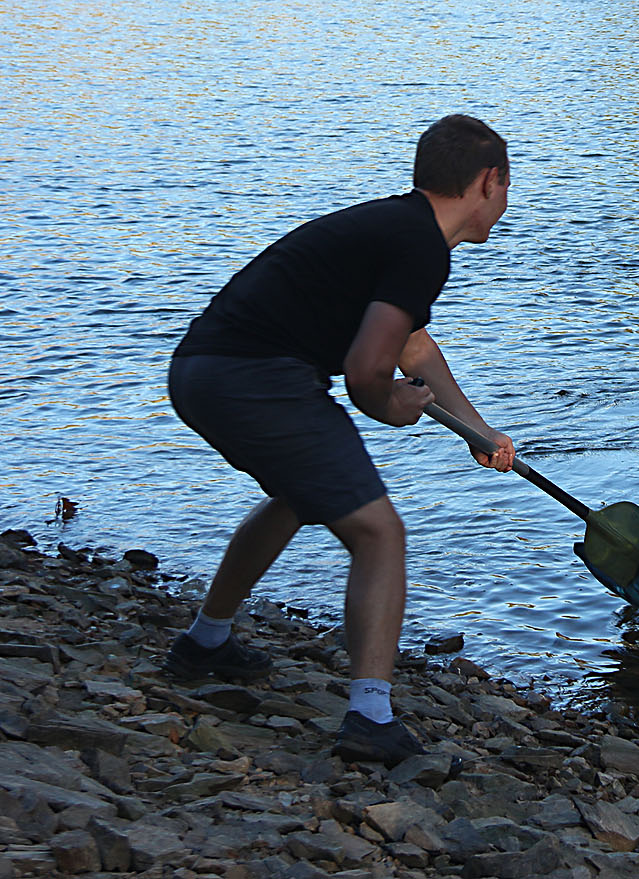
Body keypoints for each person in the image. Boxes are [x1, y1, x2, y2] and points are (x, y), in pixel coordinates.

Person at [164, 114, 518, 767]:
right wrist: (391, 406)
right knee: (380, 533)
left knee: (301, 497)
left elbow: (411, 345)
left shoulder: (397, 229)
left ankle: (204, 641)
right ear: (488, 181)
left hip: (203, 369)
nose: (506, 200)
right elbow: (365, 373)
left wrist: (477, 430)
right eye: (507, 184)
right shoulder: (420, 247)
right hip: (253, 376)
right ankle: (369, 716)